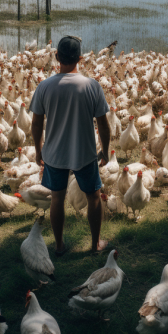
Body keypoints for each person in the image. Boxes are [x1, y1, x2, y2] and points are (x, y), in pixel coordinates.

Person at [30, 35, 111, 255]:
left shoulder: (45, 86)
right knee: (93, 196)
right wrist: (104, 150)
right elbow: (104, 125)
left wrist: (39, 151)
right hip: (84, 152)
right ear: (80, 58)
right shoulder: (92, 86)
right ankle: (95, 245)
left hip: (55, 154)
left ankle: (58, 246)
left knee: (57, 197)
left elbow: (36, 125)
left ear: (57, 56)